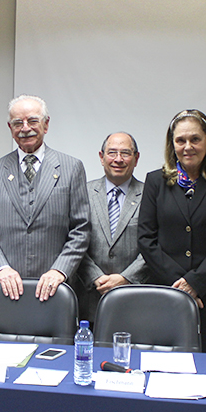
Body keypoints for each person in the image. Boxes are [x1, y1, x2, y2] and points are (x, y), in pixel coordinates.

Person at [138, 109, 206, 353]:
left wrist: (195, 282)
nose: (188, 146)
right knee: (163, 359)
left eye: (195, 139)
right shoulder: (156, 181)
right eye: (180, 140)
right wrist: (181, 284)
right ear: (172, 144)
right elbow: (146, 238)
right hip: (165, 288)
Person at [0, 94, 90, 302]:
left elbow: (80, 229)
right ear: (10, 128)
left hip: (55, 290)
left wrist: (60, 271)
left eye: (33, 121)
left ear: (46, 125)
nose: (25, 128)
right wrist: (0, 269)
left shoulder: (71, 168)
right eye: (18, 123)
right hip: (6, 290)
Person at [74, 132, 148, 326]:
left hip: (134, 299)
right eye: (112, 152)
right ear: (101, 157)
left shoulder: (150, 195)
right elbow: (72, 239)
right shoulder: (82, 192)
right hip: (87, 297)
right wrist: (95, 276)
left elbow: (154, 244)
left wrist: (126, 278)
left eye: (125, 153)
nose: (118, 159)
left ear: (136, 158)